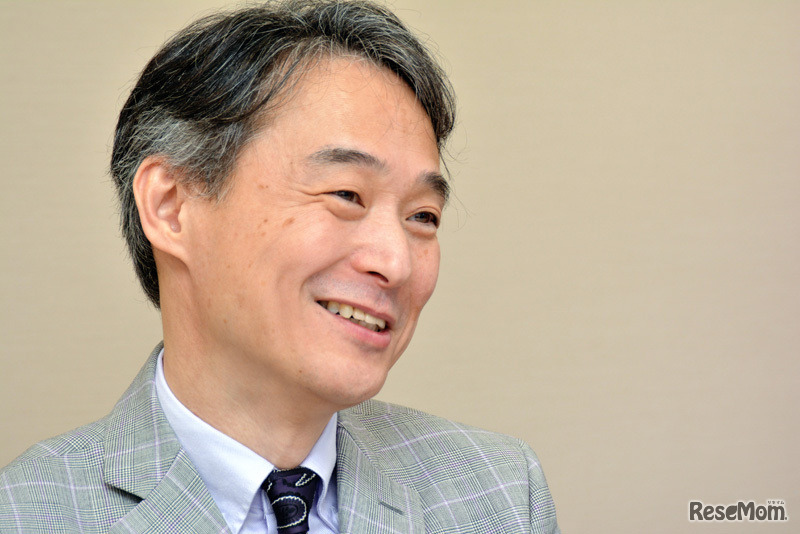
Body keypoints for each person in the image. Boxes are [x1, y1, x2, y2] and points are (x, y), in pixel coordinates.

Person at [0, 1, 559, 532]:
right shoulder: (26, 515)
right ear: (171, 206)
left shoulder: (501, 496)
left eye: (422, 217)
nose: (396, 262)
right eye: (346, 194)